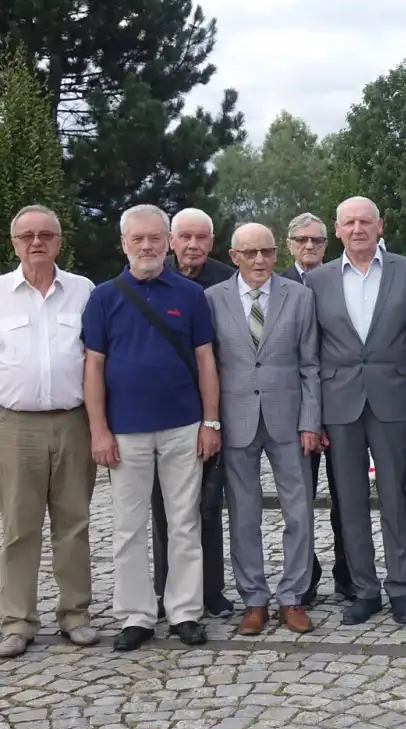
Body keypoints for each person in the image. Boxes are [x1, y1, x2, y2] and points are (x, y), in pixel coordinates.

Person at [82, 204, 222, 651]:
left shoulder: (190, 295)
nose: (147, 246)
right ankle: (136, 615)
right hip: (125, 431)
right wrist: (98, 430)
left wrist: (210, 421)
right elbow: (93, 366)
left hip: (183, 426)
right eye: (138, 239)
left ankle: (184, 612)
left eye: (155, 238)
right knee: (128, 527)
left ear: (168, 242)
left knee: (184, 522)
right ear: (123, 243)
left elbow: (206, 361)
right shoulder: (103, 298)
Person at [303, 196, 406, 626]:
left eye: (365, 221)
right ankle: (365, 590)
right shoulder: (317, 281)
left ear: (380, 226)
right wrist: (313, 417)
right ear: (337, 230)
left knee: (396, 499)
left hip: (394, 401)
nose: (357, 229)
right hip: (338, 404)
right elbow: (310, 353)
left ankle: (400, 588)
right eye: (349, 223)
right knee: (350, 502)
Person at [207, 223, 319, 635]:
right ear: (234, 256)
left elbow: (310, 364)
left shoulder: (300, 296)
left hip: (288, 419)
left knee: (299, 511)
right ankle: (254, 600)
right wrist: (212, 421)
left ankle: (292, 597)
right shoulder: (212, 299)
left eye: (267, 252)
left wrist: (310, 421)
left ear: (277, 253)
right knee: (243, 513)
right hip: (236, 419)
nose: (260, 260)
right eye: (250, 252)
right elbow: (208, 365)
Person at [0, 206, 98, 659]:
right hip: (16, 424)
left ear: (59, 242)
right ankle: (17, 621)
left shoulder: (83, 291)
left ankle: (75, 614)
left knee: (74, 523)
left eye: (45, 235)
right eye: (27, 236)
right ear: (14, 243)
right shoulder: (0, 293)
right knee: (19, 527)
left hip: (74, 421)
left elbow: (96, 357)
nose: (36, 242)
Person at [152, 207, 235, 620]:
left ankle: (211, 589)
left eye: (201, 237)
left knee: (208, 502)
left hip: (216, 406)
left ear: (212, 241)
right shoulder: (152, 277)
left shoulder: (227, 280)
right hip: (166, 408)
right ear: (171, 240)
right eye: (185, 237)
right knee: (164, 507)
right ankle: (165, 590)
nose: (193, 245)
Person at [281, 212, 353, 604]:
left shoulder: (343, 280)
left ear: (328, 244)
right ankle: (304, 576)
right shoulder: (277, 285)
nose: (309, 246)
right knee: (299, 500)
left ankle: (349, 573)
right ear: (289, 243)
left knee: (346, 496)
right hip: (296, 410)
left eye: (317, 240)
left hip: (343, 404)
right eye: (301, 240)